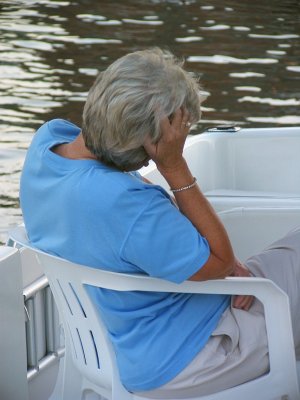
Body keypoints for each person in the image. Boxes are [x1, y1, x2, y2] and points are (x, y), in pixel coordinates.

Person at [19, 48, 300, 398]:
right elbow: (221, 261)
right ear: (148, 146)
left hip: (119, 341)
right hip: (192, 358)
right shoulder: (127, 205)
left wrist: (227, 267)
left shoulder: (48, 141)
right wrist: (174, 167)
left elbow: (120, 185)